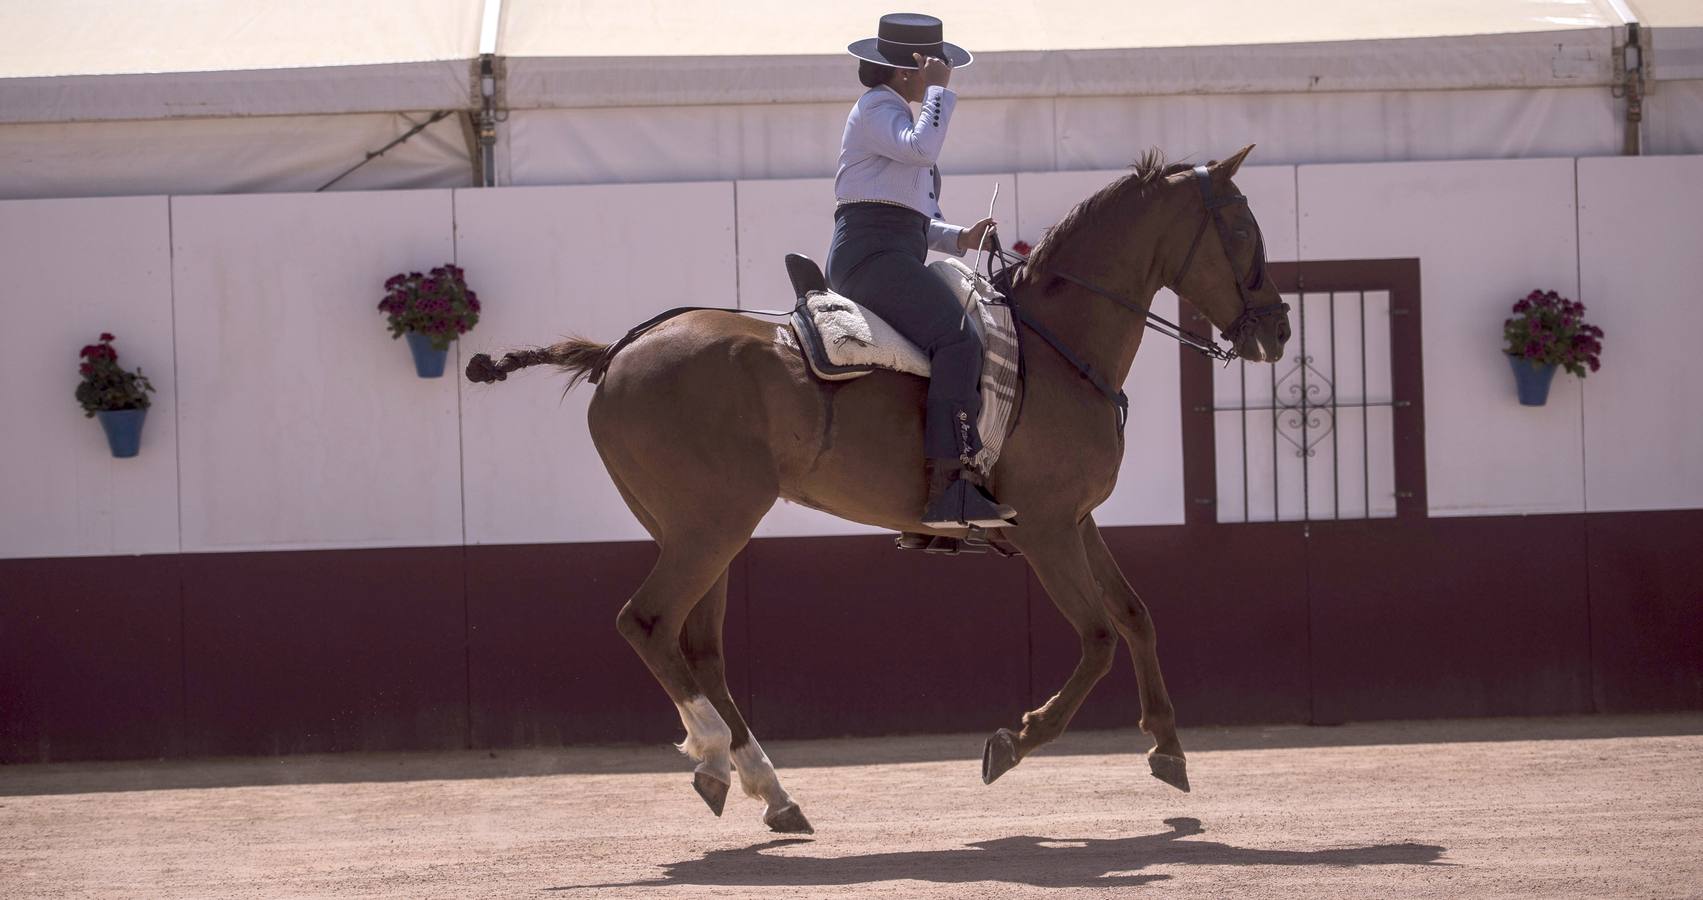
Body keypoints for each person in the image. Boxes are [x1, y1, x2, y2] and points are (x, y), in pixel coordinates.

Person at [824, 13, 1016, 530]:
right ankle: (949, 489)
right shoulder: (876, 109)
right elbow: (921, 147)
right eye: (934, 64)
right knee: (958, 343)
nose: (943, 71)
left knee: (963, 334)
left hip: (890, 251)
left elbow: (910, 217)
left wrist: (960, 239)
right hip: (871, 258)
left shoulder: (889, 114)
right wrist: (938, 92)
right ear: (910, 69)